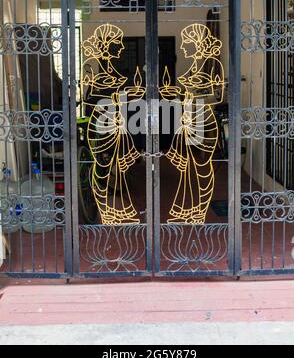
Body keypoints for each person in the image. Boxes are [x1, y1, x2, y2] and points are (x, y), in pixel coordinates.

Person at [160, 24, 224, 224]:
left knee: (202, 168)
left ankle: (199, 209)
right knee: (189, 170)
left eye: (187, 43)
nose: (184, 47)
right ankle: (188, 208)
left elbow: (217, 96)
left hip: (204, 118)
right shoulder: (194, 67)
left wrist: (199, 97)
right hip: (190, 118)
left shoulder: (213, 66)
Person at [81, 24, 145, 225]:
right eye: (118, 45)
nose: (123, 49)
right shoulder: (103, 79)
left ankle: (114, 185)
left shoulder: (115, 78)